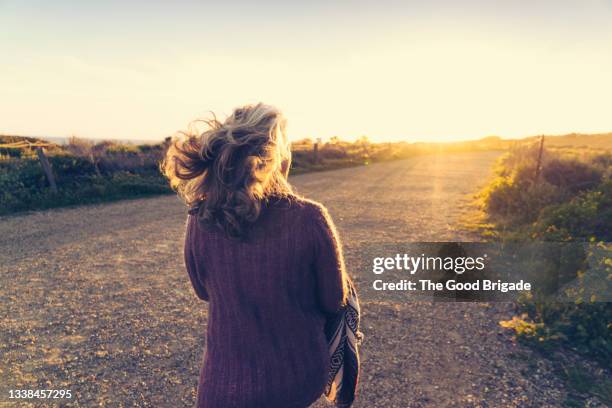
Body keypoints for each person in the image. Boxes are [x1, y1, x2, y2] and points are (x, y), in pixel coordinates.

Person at [163, 103, 354, 408]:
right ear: (276, 156)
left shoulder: (202, 216)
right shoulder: (309, 218)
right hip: (294, 382)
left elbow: (203, 291)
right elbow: (334, 300)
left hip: (220, 388)